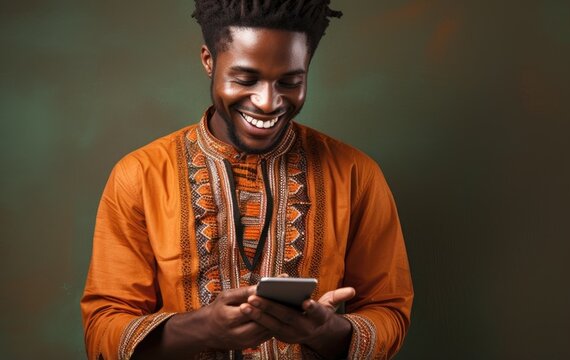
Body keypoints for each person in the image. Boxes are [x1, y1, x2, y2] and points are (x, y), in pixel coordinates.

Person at [80, 1, 413, 359]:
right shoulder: (140, 175)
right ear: (209, 61)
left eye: (290, 82)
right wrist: (201, 328)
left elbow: (390, 311)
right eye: (245, 79)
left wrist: (325, 330)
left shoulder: (355, 175)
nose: (268, 102)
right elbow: (102, 329)